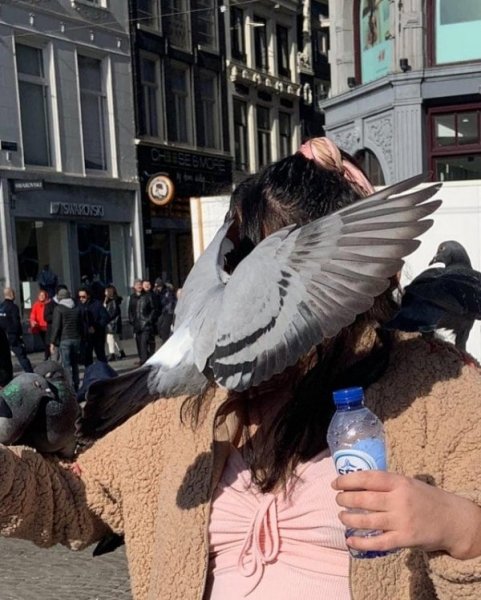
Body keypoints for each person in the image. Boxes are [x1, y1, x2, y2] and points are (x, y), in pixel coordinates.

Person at [0, 139, 480, 600]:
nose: (244, 293)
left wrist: (462, 531)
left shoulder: (441, 395)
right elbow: (78, 497)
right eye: (242, 259)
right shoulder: (191, 407)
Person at [49, 288, 82, 392]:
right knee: (75, 364)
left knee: (66, 364)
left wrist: (52, 342)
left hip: (65, 339)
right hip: (76, 338)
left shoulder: (59, 309)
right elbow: (80, 324)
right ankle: (76, 384)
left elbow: (56, 327)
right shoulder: (76, 307)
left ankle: (69, 385)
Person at [0, 287, 33, 372]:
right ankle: (31, 374)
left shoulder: (1, 307)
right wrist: (20, 336)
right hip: (12, 336)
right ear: (12, 294)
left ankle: (7, 378)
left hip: (2, 336)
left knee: (4, 359)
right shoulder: (13, 307)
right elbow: (16, 323)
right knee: (22, 357)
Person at [78, 286, 110, 366]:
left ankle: (104, 372)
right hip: (85, 335)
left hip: (97, 334)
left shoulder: (97, 304)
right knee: (87, 357)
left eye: (83, 296)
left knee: (100, 354)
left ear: (88, 295)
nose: (81, 299)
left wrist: (96, 326)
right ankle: (89, 373)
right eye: (80, 297)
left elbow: (105, 317)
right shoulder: (78, 306)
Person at [128, 278, 156, 365]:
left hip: (146, 324)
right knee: (139, 343)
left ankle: (144, 361)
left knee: (144, 342)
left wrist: (149, 319)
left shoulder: (147, 296)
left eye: (140, 284)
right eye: (137, 285)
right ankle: (143, 359)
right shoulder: (132, 297)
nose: (139, 286)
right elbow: (130, 310)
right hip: (137, 324)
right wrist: (131, 320)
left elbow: (153, 309)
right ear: (134, 287)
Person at [43, 284, 68, 362]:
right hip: (53, 335)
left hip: (65, 335)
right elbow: (46, 317)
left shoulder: (69, 303)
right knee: (54, 358)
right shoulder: (50, 304)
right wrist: (57, 317)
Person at [103, 285, 126, 362]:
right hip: (113, 322)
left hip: (112, 323)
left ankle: (112, 354)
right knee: (116, 338)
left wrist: (106, 318)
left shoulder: (112, 301)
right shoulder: (111, 300)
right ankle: (121, 352)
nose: (104, 292)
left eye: (106, 291)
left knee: (110, 338)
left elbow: (112, 312)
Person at [29, 289, 51, 360]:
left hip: (48, 326)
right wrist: (33, 321)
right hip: (40, 327)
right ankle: (48, 355)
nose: (41, 297)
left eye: (43, 295)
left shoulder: (49, 304)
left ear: (46, 296)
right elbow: (33, 314)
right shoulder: (36, 304)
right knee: (45, 343)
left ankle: (47, 356)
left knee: (47, 342)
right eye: (40, 295)